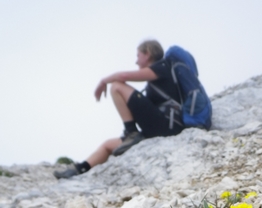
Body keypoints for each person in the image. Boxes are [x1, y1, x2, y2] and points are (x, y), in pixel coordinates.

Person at [54, 39, 184, 179]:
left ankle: (131, 132)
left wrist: (103, 81)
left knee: (116, 85)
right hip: (159, 126)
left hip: (166, 125)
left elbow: (123, 76)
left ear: (147, 54)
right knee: (108, 145)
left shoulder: (162, 67)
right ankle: (79, 169)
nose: (136, 61)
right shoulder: (156, 77)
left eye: (138, 56)